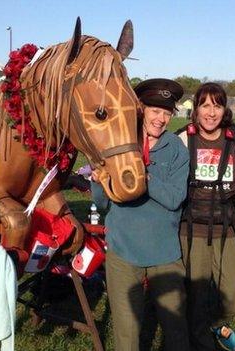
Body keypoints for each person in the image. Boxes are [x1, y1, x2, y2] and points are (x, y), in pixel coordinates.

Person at [91, 78, 190, 351]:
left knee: (176, 328)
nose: (160, 119)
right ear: (141, 109)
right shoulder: (121, 144)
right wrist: (98, 182)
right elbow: (102, 204)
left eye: (167, 112)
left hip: (165, 252)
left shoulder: (176, 149)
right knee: (127, 332)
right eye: (155, 110)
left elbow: (174, 199)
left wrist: (143, 177)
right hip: (123, 250)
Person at [176, 82, 235, 351]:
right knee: (196, 294)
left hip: (227, 227)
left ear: (225, 109)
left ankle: (215, 321)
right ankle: (202, 341)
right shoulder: (183, 138)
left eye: (217, 105)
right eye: (205, 105)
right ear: (195, 109)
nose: (210, 112)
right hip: (191, 227)